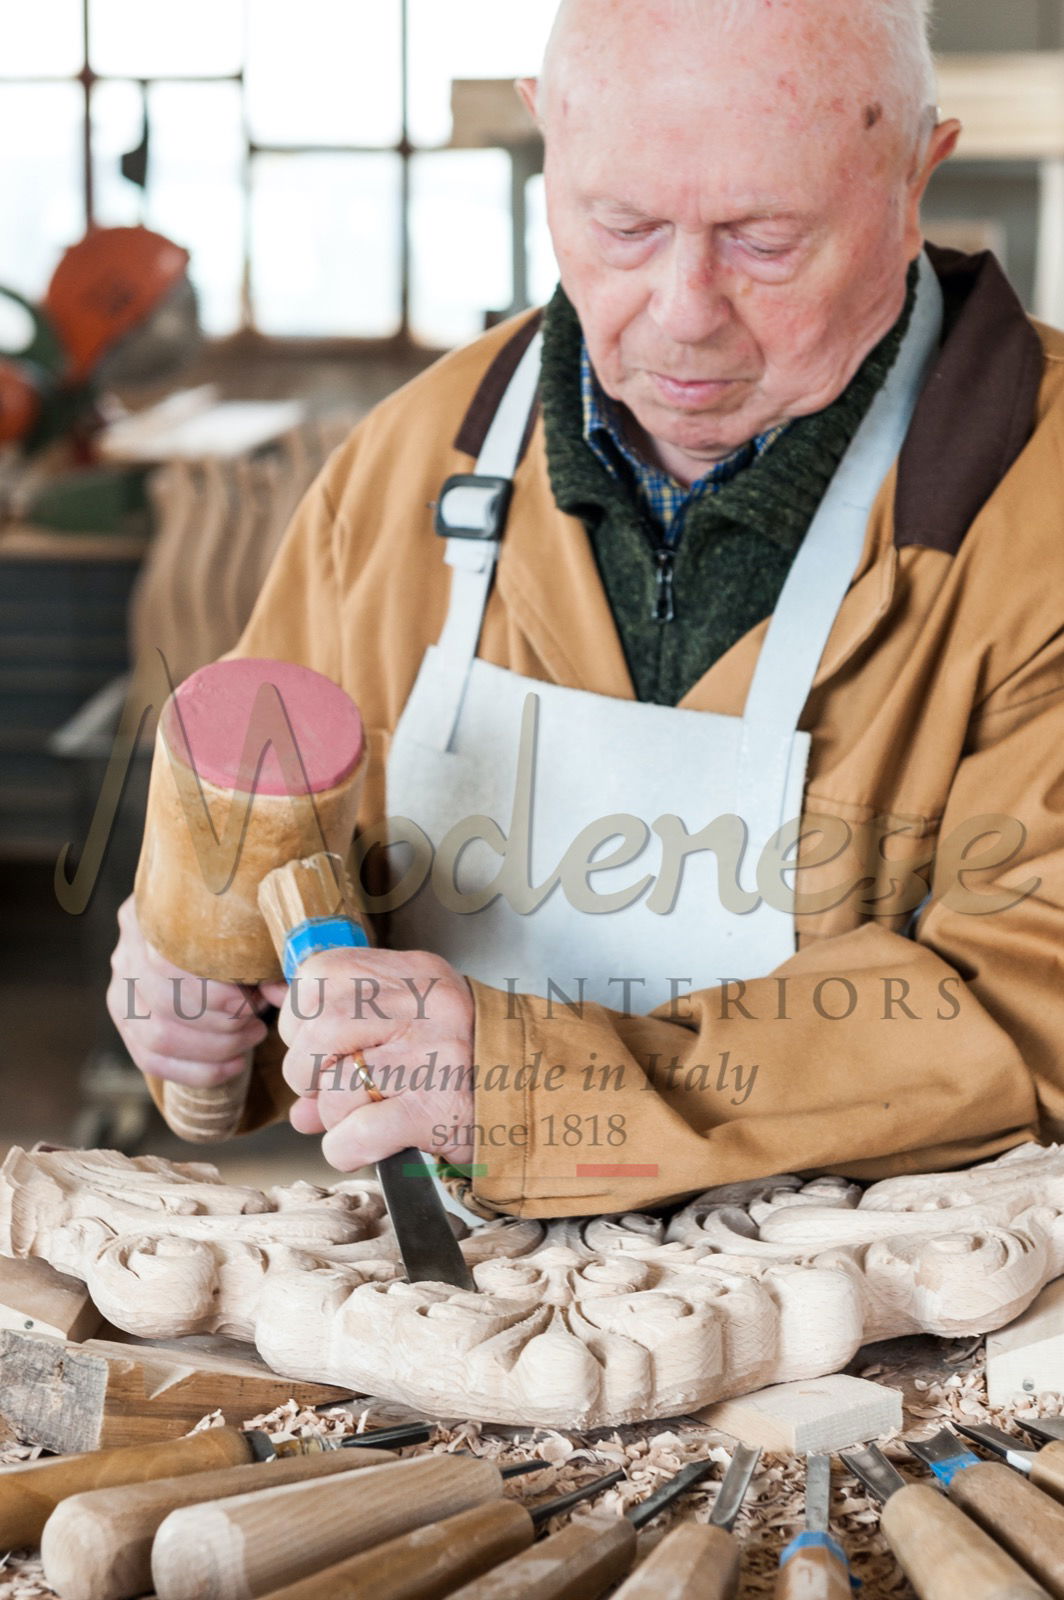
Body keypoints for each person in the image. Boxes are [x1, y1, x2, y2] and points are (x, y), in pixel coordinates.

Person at [110, 0, 1064, 1221]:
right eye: (621, 225)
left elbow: (1028, 1006)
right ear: (546, 137)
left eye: (765, 240)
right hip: (463, 1296)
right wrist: (201, 1010)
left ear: (914, 174)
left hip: (878, 1313)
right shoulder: (407, 462)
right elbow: (261, 885)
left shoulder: (1033, 504)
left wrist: (532, 1093)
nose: (682, 307)